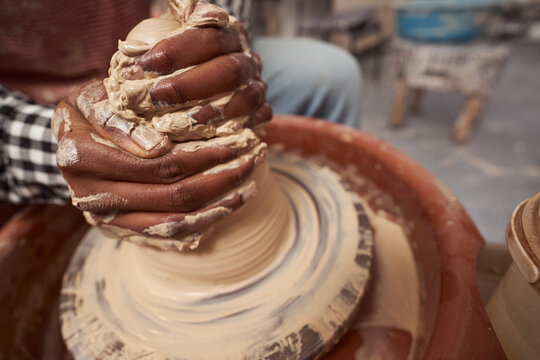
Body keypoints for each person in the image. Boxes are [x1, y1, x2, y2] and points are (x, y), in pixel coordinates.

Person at [0, 0, 362, 237]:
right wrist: (65, 148)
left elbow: (214, 13)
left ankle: (335, 219)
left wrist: (210, 24)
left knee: (328, 76)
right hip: (37, 107)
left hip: (168, 52)